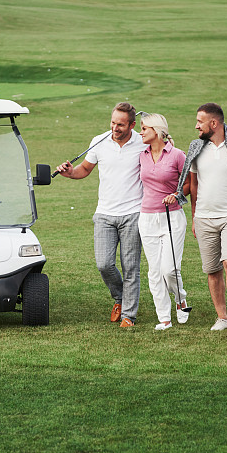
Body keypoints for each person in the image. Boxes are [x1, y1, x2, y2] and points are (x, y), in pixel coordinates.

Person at [56, 102, 145, 327]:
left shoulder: (142, 142)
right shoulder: (99, 141)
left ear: (132, 125)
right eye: (113, 123)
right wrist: (69, 173)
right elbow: (84, 170)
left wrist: (169, 141)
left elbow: (162, 148)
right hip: (104, 214)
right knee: (104, 264)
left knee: (130, 266)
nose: (115, 128)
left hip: (133, 213)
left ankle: (128, 316)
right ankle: (120, 298)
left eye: (121, 125)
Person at [172, 103, 227, 334]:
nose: (196, 125)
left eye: (200, 121)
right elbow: (193, 185)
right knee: (212, 269)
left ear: (213, 124)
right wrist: (194, 215)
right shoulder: (196, 147)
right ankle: (222, 317)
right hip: (205, 217)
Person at [138, 113, 191, 331]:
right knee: (154, 271)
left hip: (173, 216)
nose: (140, 132)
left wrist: (177, 195)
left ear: (157, 131)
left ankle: (181, 300)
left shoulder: (178, 155)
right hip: (147, 218)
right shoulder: (141, 154)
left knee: (169, 269)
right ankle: (164, 318)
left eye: (144, 128)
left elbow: (188, 183)